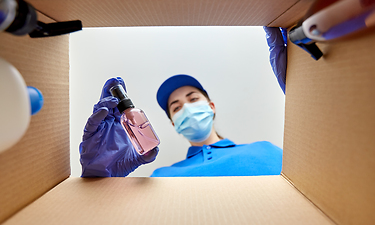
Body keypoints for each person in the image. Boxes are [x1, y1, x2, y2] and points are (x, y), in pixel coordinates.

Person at [79, 27, 287, 177]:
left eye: (193, 98)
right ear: (174, 123)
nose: (186, 107)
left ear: (211, 107)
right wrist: (101, 181)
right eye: (176, 107)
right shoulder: (163, 177)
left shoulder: (267, 150)